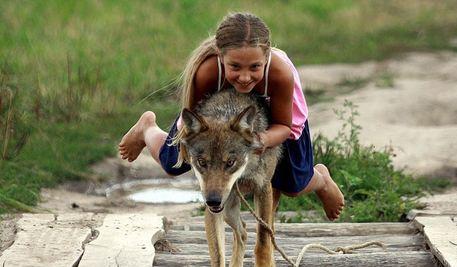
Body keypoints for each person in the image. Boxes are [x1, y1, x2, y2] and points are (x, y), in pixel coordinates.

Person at [118, 12, 344, 220]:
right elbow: (194, 119)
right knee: (172, 164)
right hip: (221, 117)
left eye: (254, 67)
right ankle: (147, 128)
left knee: (293, 184)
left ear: (266, 56)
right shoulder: (207, 71)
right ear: (220, 56)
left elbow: (284, 125)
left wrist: (261, 140)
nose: (245, 77)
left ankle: (321, 179)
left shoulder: (280, 73)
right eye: (235, 66)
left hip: (279, 119)